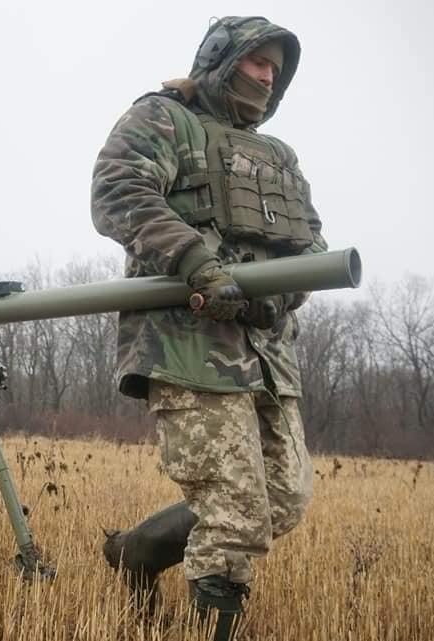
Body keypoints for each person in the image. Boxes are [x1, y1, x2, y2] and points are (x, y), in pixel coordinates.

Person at [91, 16, 326, 640]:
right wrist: (198, 264)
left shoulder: (278, 156)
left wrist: (278, 299)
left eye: (277, 68)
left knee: (284, 498)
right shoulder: (165, 118)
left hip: (271, 355)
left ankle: (136, 551)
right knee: (235, 513)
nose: (269, 76)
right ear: (222, 59)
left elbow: (313, 244)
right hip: (187, 343)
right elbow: (118, 192)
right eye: (258, 62)